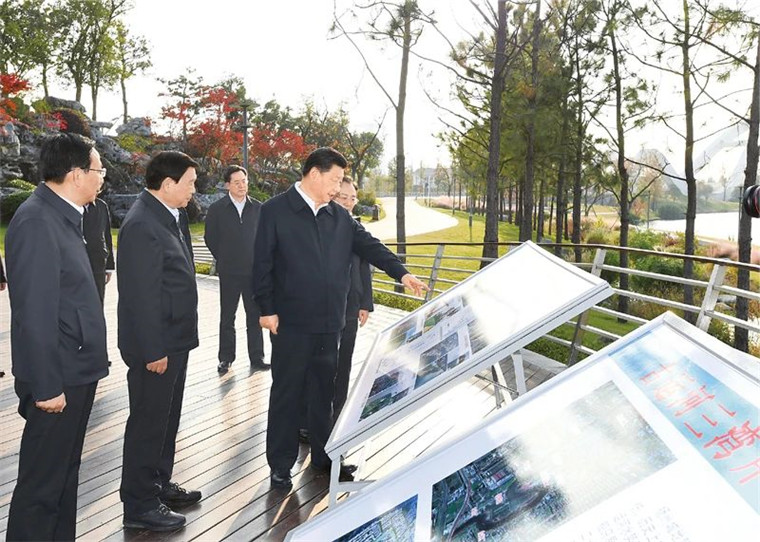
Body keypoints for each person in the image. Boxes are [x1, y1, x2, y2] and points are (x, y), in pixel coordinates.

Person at [253, 147, 428, 490]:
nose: (337, 188)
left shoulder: (339, 216)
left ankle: (325, 457)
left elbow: (370, 245)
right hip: (290, 322)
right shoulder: (275, 210)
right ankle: (280, 465)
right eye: (334, 180)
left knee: (325, 393)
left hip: (331, 322)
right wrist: (266, 309)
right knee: (287, 393)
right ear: (314, 174)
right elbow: (261, 263)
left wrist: (402, 273)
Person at [5, 133, 109, 541]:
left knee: (64, 475)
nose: (102, 177)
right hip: (58, 377)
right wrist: (47, 385)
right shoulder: (37, 221)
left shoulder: (64, 215)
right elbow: (34, 313)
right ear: (76, 173)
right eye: (98, 170)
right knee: (42, 486)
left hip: (75, 369)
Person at [117, 151, 202, 532]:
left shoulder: (169, 215)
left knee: (167, 419)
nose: (193, 189)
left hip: (174, 340)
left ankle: (158, 483)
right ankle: (139, 504)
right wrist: (153, 350)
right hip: (157, 346)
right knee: (149, 423)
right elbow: (140, 295)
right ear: (168, 184)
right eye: (190, 183)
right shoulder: (142, 224)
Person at [204, 165, 267, 374]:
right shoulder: (217, 209)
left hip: (253, 273)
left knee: (254, 316)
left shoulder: (258, 208)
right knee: (227, 317)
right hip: (229, 272)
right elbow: (210, 237)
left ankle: (257, 357)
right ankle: (226, 358)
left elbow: (266, 238)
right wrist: (224, 258)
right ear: (227, 185)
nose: (242, 186)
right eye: (237, 182)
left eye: (244, 181)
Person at [333, 178, 373, 422]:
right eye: (343, 197)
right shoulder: (319, 225)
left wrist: (365, 303)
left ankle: (337, 416)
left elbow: (364, 267)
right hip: (324, 309)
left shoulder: (358, 229)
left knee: (344, 364)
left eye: (352, 198)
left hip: (350, 306)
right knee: (320, 366)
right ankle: (309, 420)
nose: (348, 203)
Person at [82, 196, 114, 303]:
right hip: (78, 263)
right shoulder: (72, 205)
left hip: (98, 264)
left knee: (97, 301)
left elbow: (107, 236)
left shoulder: (101, 206)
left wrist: (109, 266)